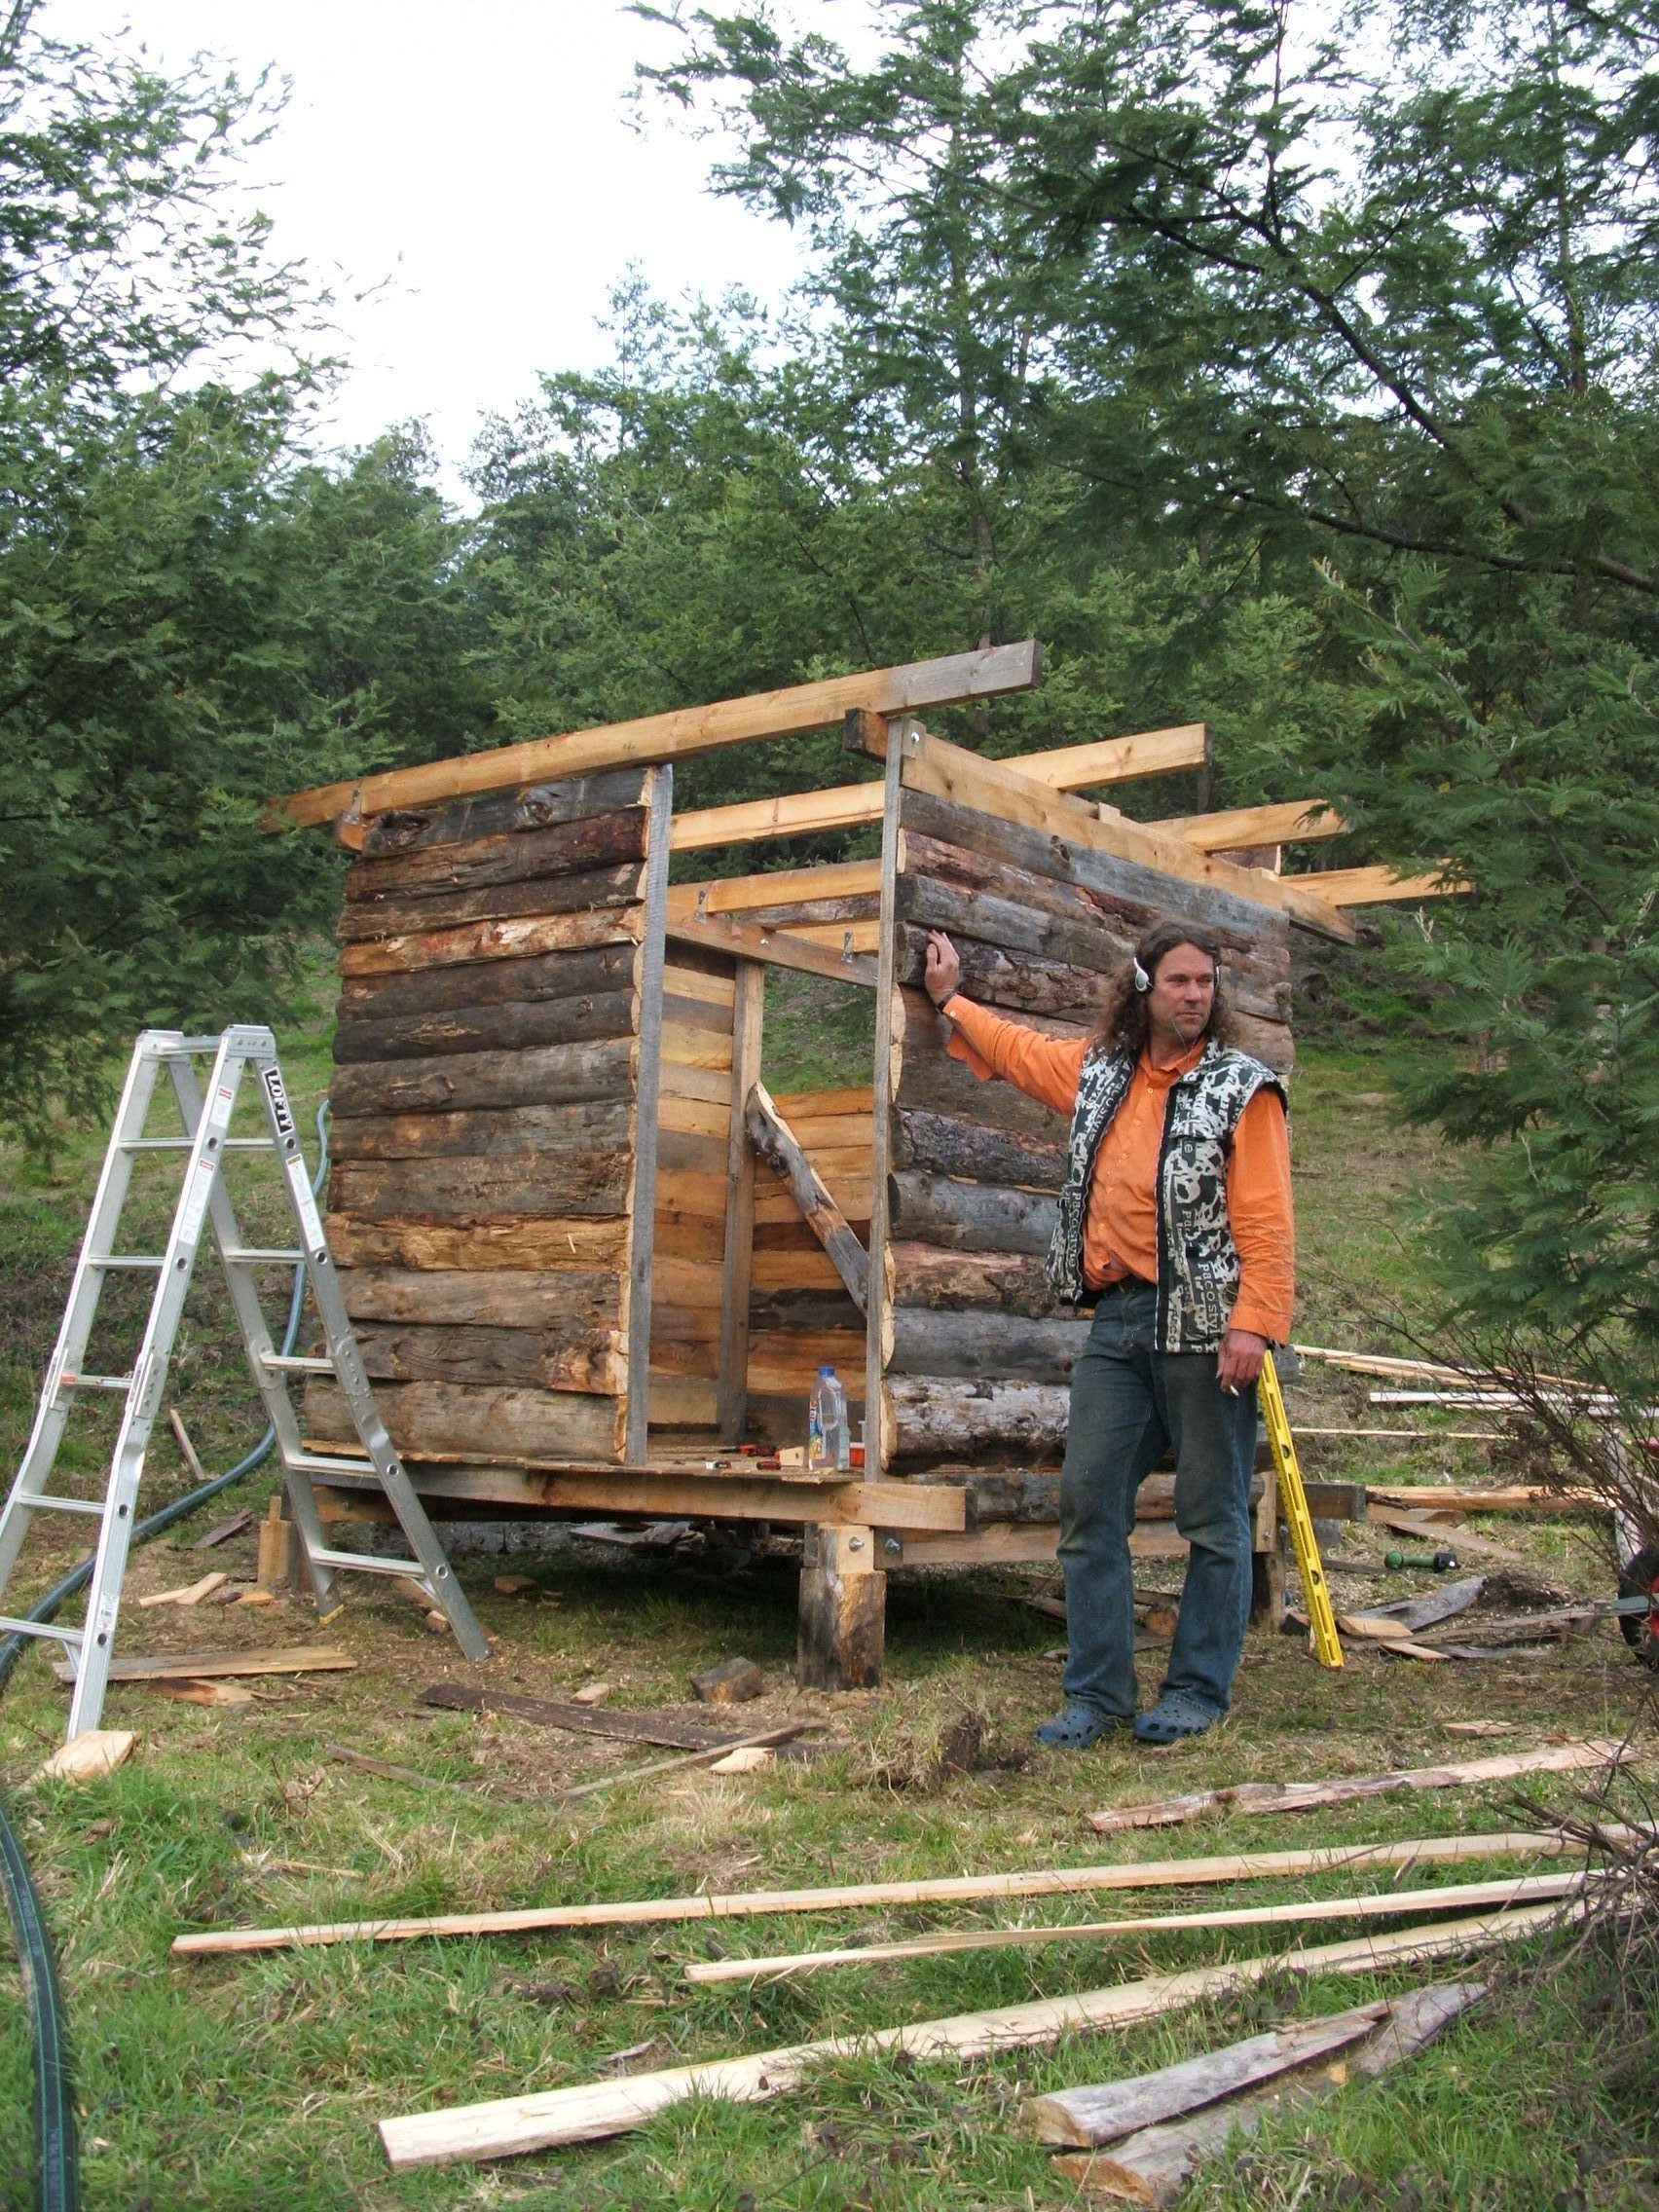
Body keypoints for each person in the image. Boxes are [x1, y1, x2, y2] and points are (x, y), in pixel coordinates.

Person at [922, 917, 1294, 1747]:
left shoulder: (1245, 1087)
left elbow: (1267, 1224)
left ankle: (1195, 1691)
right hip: (1119, 1323)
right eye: (1180, 982)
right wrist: (953, 1003)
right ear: (1143, 988)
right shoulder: (1102, 1074)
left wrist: (1256, 1326)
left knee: (1214, 1516)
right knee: (1089, 1504)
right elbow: (1021, 1054)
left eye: (1207, 983)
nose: (1196, 995)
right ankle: (1097, 1696)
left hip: (1207, 1329)